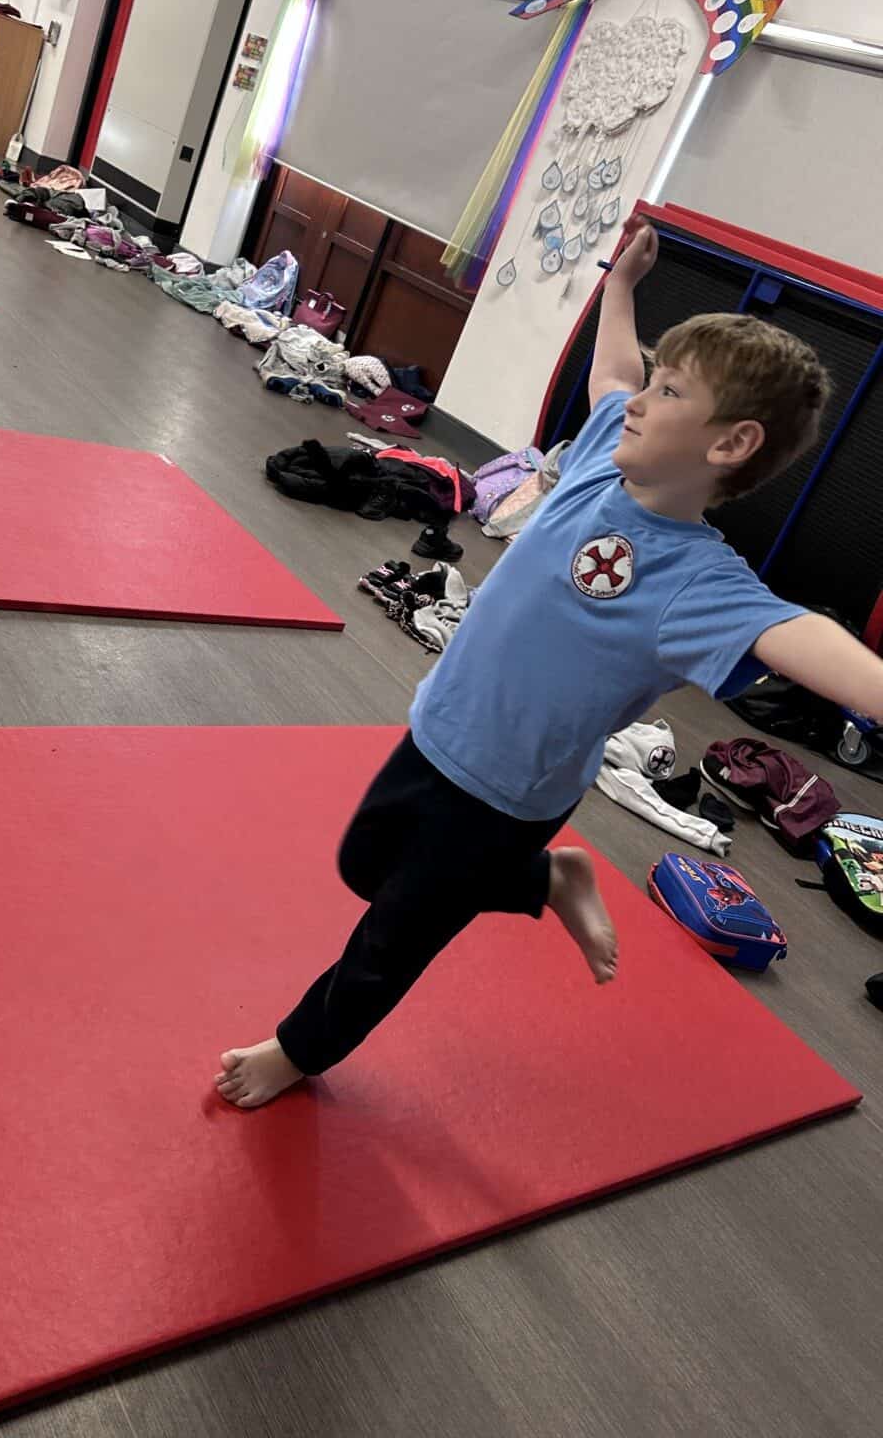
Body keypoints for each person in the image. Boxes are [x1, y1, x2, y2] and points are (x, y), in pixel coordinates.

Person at [216, 220, 883, 1109]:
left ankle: (298, 1051)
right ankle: (551, 879)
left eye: (671, 391)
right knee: (364, 864)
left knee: (393, 938)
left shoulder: (701, 583)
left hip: (510, 795)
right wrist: (620, 289)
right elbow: (613, 376)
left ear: (729, 445)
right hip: (438, 729)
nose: (641, 399)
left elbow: (804, 638)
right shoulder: (606, 459)